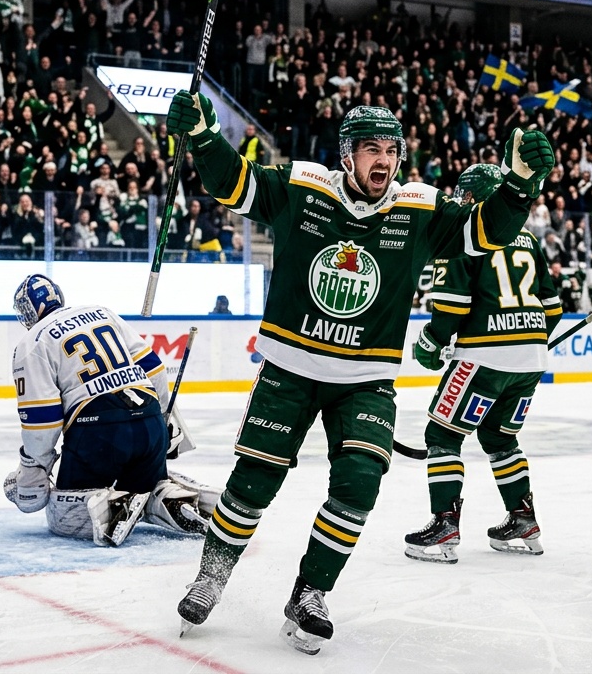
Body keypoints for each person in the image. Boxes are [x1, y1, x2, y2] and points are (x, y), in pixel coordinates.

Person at [164, 91, 551, 653]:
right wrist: (203, 137)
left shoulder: (419, 208)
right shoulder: (303, 188)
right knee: (253, 483)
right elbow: (234, 183)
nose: (384, 161)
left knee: (359, 485)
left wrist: (518, 185)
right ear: (347, 154)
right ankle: (211, 576)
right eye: (372, 149)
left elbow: (484, 232)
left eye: (392, 151)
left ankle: (310, 593)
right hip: (289, 368)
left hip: (365, 379)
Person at [404, 163, 561, 564]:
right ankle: (523, 519)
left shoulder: (465, 232)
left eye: (464, 194)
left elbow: (452, 304)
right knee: (499, 438)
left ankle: (444, 524)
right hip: (530, 360)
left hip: (484, 355)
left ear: (475, 196)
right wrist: (526, 338)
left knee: (442, 434)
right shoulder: (527, 237)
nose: (460, 200)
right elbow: (553, 307)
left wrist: (431, 341)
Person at [5, 274, 220, 546]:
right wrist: (164, 419)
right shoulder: (102, 313)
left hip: (99, 433)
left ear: (28, 311)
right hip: (149, 421)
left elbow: (42, 418)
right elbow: (154, 368)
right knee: (145, 483)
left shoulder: (31, 343)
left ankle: (116, 504)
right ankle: (164, 497)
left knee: (63, 515)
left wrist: (34, 465)